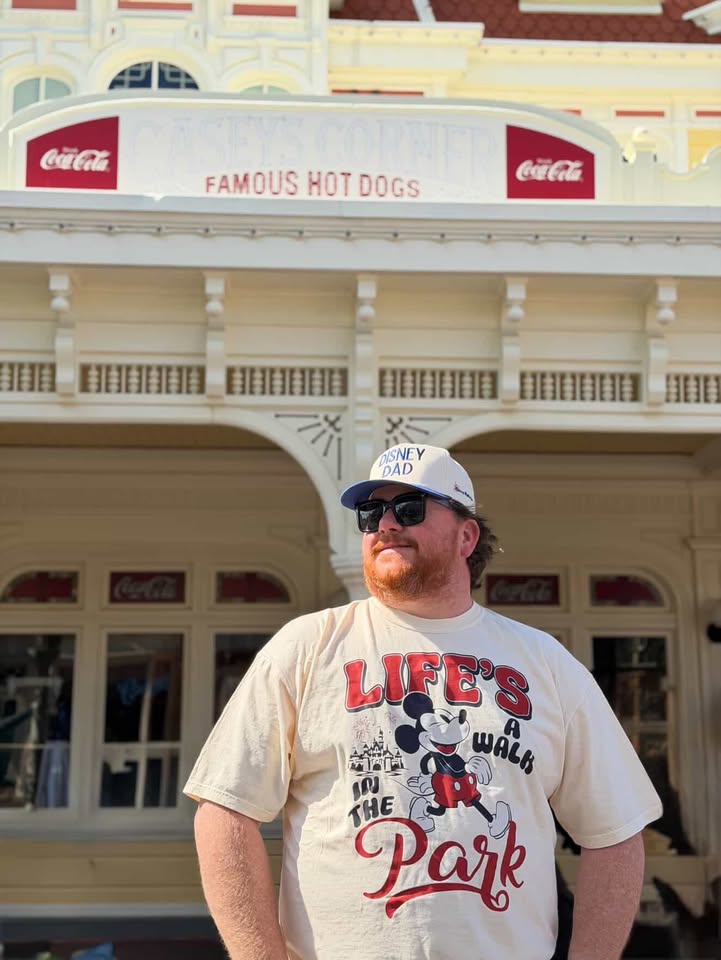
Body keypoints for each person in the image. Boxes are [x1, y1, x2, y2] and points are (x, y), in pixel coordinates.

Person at [185, 443, 662, 960]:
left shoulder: (545, 663)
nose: (385, 525)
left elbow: (615, 831)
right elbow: (225, 811)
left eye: (409, 509)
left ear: (466, 535)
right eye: (371, 513)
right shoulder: (307, 647)